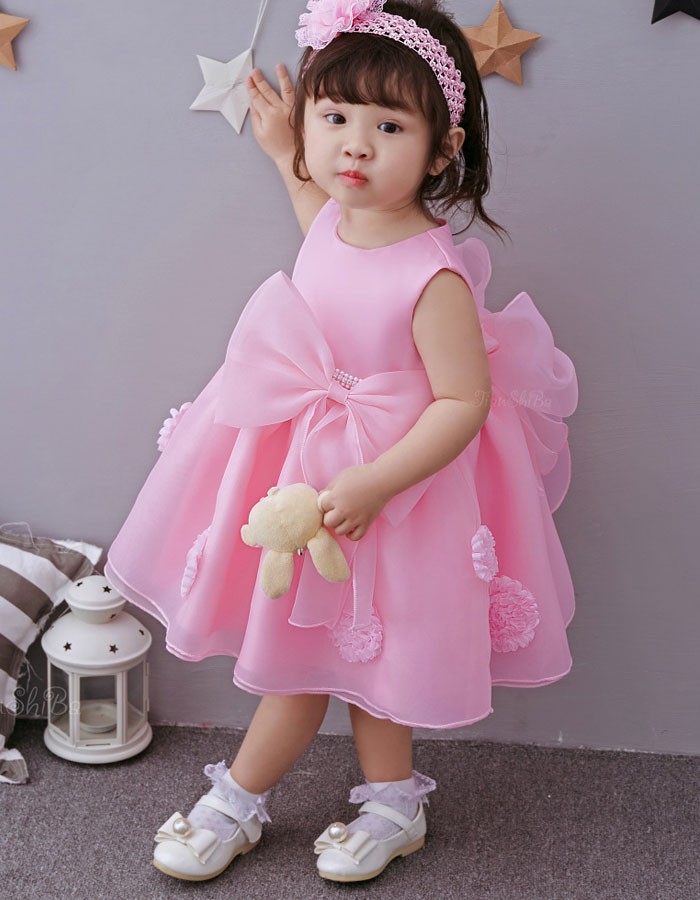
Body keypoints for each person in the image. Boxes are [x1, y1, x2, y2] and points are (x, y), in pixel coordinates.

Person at [105, 0, 579, 884]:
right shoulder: (333, 218)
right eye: (336, 119)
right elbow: (307, 197)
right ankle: (377, 800)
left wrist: (377, 485)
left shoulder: (431, 273)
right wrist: (282, 141)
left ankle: (255, 800)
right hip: (304, 474)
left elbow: (463, 401)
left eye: (388, 127)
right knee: (334, 646)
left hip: (391, 491)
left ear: (441, 150)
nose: (355, 146)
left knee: (368, 648)